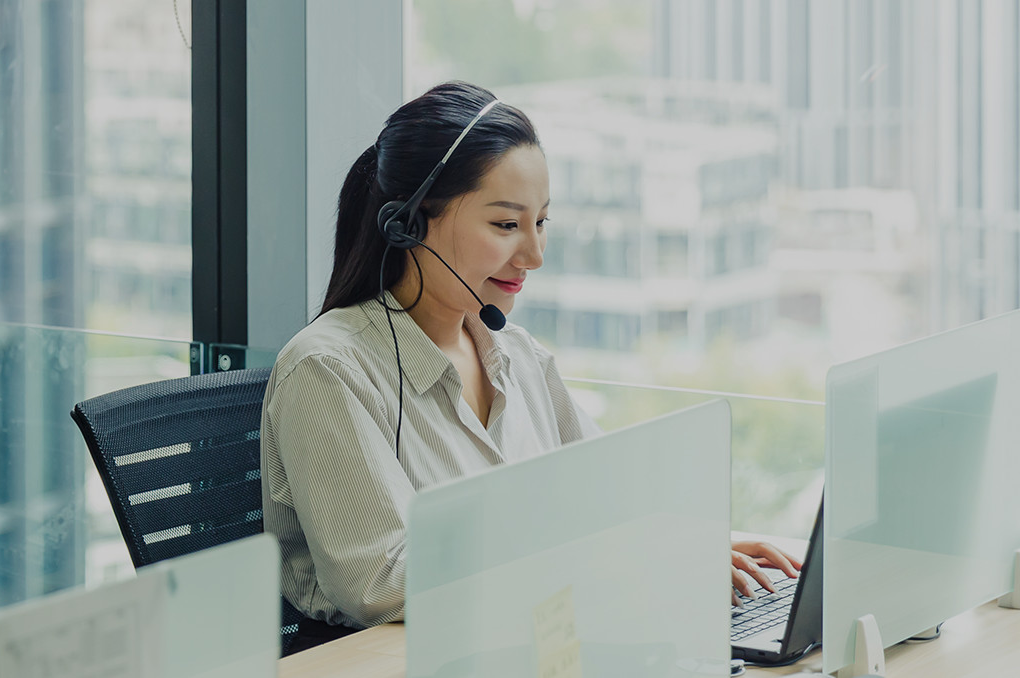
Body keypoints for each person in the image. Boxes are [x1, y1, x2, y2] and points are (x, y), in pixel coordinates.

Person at [259, 82, 801, 648]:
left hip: (541, 641)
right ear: (411, 223)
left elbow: (611, 500)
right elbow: (383, 584)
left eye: (540, 222)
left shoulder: (517, 356)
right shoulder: (328, 370)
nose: (534, 256)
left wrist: (683, 542)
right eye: (505, 225)